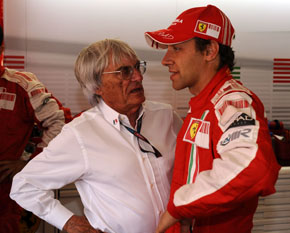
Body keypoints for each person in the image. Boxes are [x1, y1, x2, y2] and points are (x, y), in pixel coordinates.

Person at [10, 38, 183, 233]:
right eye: (124, 71)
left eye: (137, 67)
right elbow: (24, 185)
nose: (137, 77)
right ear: (97, 85)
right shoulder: (81, 134)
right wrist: (69, 222)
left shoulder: (166, 117)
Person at [144, 5, 281, 233]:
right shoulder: (204, 103)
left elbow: (251, 167)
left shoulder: (232, 101)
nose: (166, 60)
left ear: (209, 51)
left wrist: (179, 208)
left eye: (176, 48)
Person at [0, 26, 68, 232]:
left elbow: (59, 123)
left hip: (7, 195)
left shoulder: (22, 84)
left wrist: (30, 163)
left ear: (1, 48)